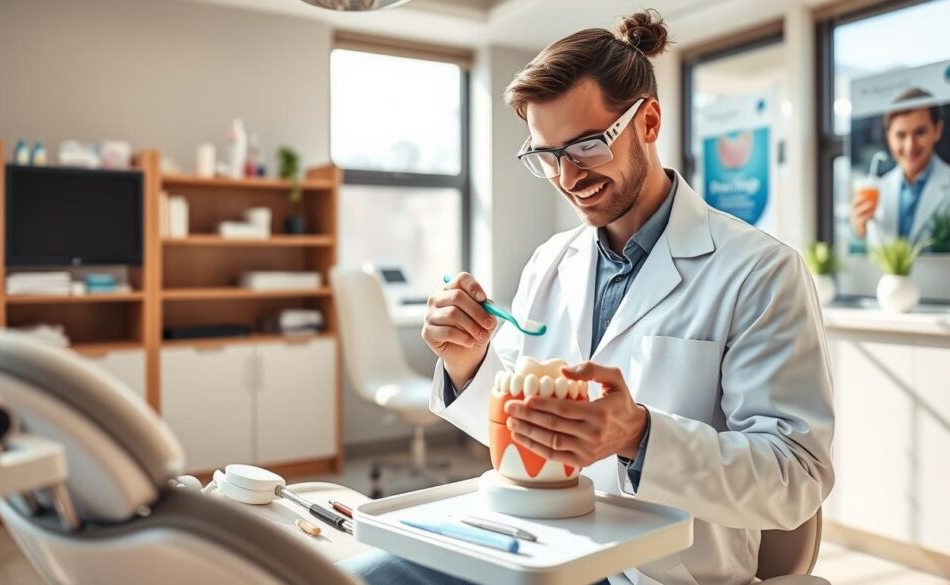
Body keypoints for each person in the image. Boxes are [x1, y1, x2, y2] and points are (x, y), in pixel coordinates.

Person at [341, 11, 835, 585]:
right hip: (540, 545)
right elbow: (525, 438)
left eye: (586, 146)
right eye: (545, 156)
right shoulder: (552, 262)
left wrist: (638, 436)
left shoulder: (759, 272)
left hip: (658, 575)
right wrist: (468, 362)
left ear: (648, 122)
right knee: (364, 573)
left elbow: (796, 480)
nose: (567, 177)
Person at [851, 87, 950, 248]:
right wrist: (859, 231)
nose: (910, 146)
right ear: (888, 136)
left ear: (937, 130)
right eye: (900, 135)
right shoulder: (878, 189)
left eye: (920, 132)